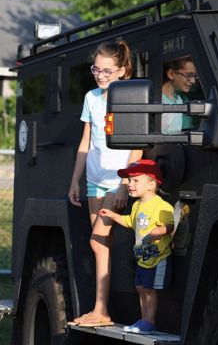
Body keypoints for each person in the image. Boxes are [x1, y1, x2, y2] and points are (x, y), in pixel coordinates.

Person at [68, 39, 143, 327]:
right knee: (103, 246)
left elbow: (138, 146)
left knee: (96, 242)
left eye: (107, 71)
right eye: (96, 70)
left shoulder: (131, 97)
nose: (101, 76)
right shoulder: (91, 98)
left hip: (116, 181)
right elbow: (85, 143)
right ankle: (101, 310)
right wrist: (76, 180)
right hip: (94, 181)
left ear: (123, 71)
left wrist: (125, 184)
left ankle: (101, 311)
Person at [99, 159, 174, 333]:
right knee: (140, 287)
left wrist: (161, 230)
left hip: (157, 257)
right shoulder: (137, 206)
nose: (129, 184)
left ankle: (150, 320)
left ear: (151, 184)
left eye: (135, 180)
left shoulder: (162, 206)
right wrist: (113, 215)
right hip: (142, 258)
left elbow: (170, 224)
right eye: (129, 181)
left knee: (149, 289)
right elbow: (130, 222)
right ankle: (143, 320)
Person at [161, 55, 198, 134]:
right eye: (189, 75)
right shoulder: (155, 99)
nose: (193, 81)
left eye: (195, 76)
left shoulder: (181, 100)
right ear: (171, 74)